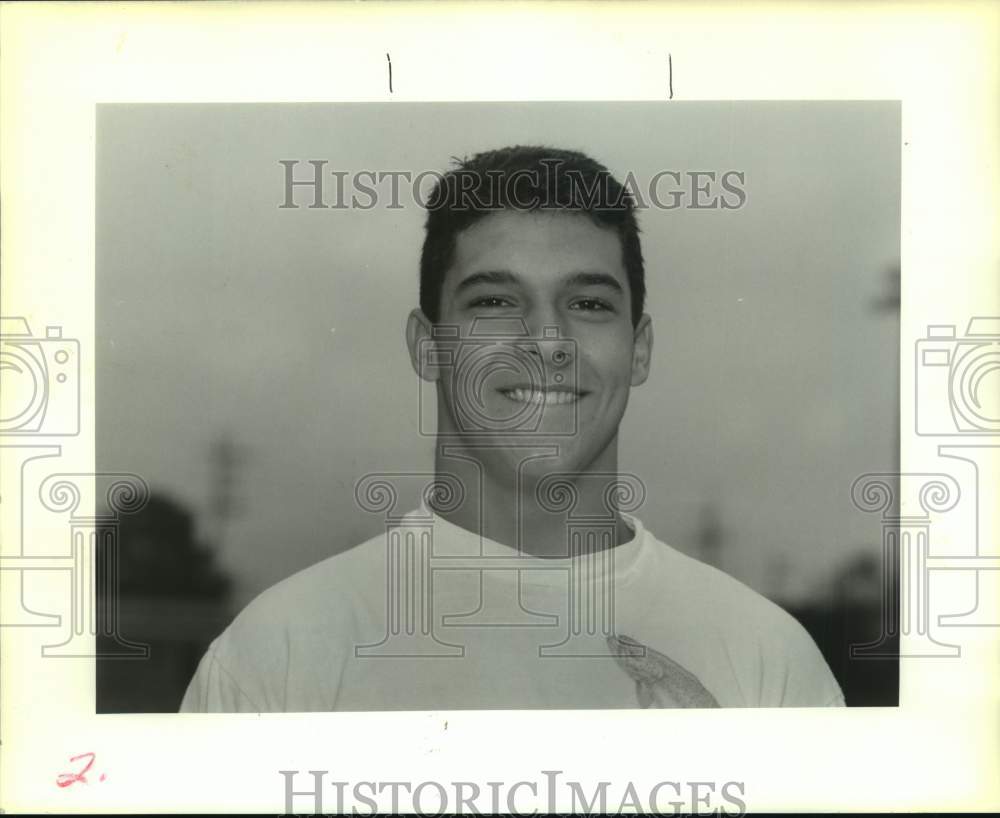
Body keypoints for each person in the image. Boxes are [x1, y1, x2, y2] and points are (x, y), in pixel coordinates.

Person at [180, 146, 844, 712]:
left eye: (587, 303)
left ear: (638, 350)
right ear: (427, 346)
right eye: (496, 302)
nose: (548, 340)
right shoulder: (279, 652)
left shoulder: (768, 659)